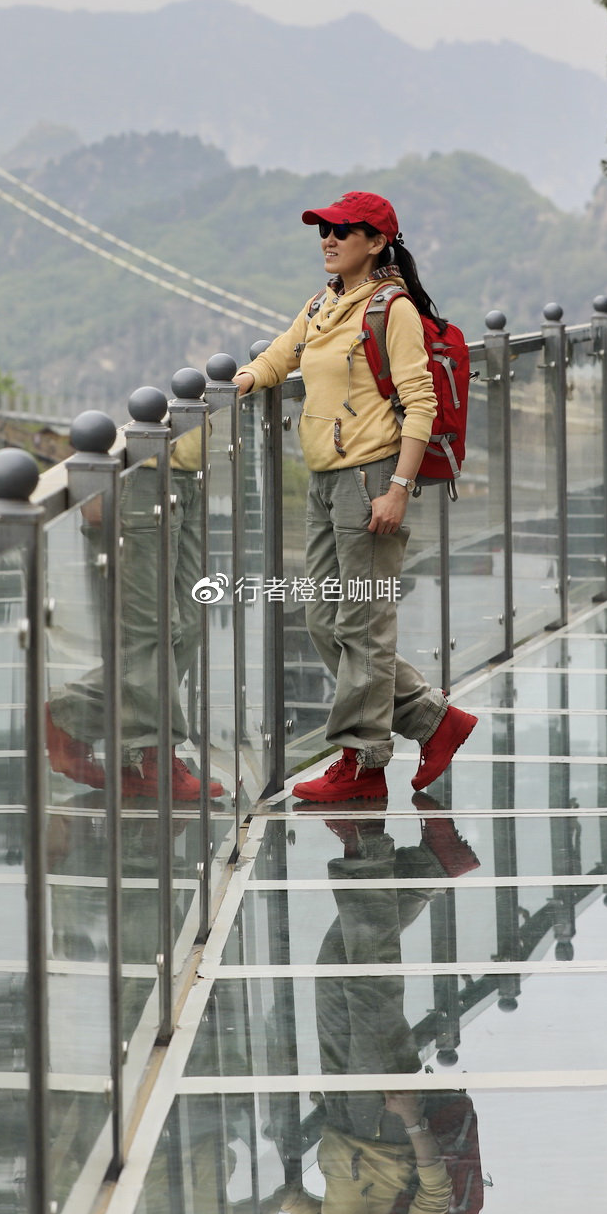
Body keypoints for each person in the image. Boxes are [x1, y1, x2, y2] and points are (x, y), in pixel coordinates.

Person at [234, 191, 477, 801]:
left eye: (345, 230)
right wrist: (243, 379)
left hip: (371, 480)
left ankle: (363, 763)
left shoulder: (389, 309)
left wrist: (398, 488)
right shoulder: (322, 304)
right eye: (325, 230)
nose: (330, 238)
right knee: (323, 617)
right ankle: (431, 719)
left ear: (376, 243)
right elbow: (280, 355)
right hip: (323, 481)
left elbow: (420, 402)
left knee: (363, 624)